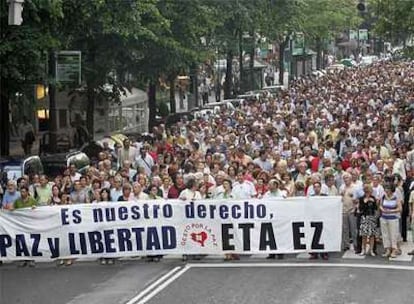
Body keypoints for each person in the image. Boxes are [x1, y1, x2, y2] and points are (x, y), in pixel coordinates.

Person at [11, 186, 37, 267]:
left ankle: (32, 259)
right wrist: (11, 209)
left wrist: (34, 208)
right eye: (21, 191)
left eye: (24, 192)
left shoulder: (32, 200)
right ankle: (23, 259)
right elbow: (12, 209)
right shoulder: (17, 201)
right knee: (22, 242)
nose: (22, 193)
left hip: (30, 224)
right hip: (20, 224)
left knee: (30, 242)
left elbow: (38, 210)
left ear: (27, 192)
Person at [380, 184, 402, 258]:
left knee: (393, 234)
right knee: (385, 234)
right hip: (384, 217)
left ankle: (394, 250)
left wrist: (391, 211)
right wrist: (382, 209)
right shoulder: (383, 196)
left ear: (391, 190)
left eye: (388, 189)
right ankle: (387, 249)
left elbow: (400, 208)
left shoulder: (396, 197)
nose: (386, 190)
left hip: (393, 218)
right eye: (385, 189)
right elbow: (380, 205)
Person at [358, 184, 378, 256]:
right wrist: (365, 202)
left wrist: (374, 202)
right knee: (364, 235)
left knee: (372, 235)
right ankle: (363, 249)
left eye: (369, 191)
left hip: (372, 217)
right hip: (364, 217)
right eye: (366, 191)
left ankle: (371, 250)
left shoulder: (373, 198)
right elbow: (360, 209)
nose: (368, 193)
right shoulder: (361, 198)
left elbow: (375, 208)